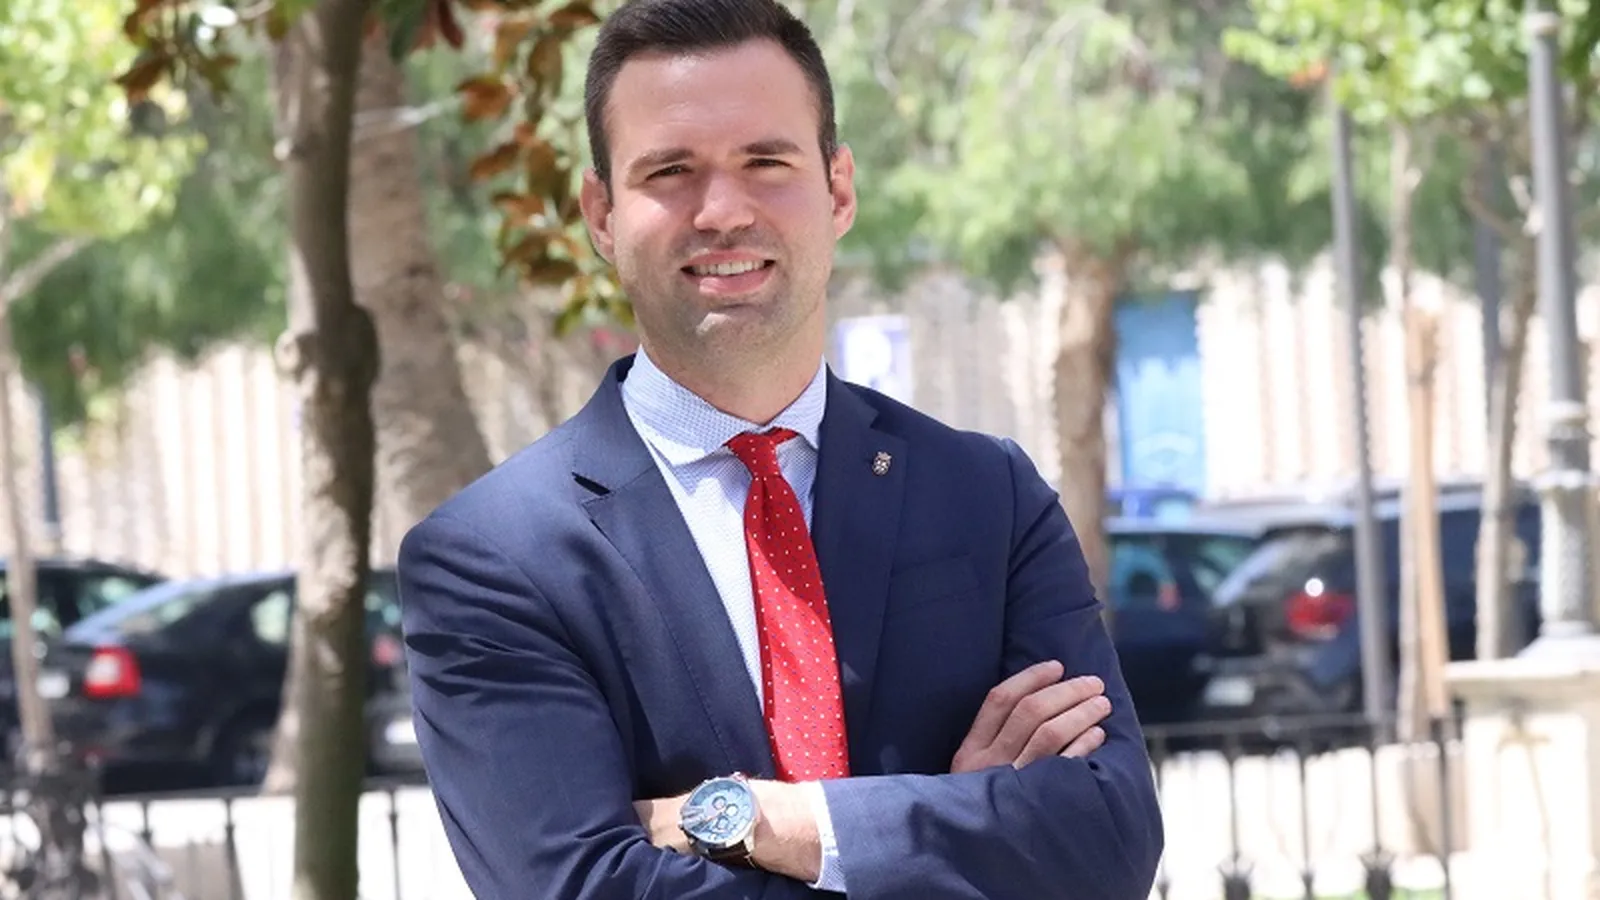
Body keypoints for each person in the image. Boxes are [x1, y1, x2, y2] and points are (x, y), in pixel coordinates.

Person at [395, 0, 1164, 896]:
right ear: (602, 215)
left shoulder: (988, 497)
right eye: (671, 171)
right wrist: (951, 834)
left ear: (839, 190)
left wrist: (759, 821)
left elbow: (1108, 838)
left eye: (766, 161)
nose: (723, 210)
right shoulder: (493, 559)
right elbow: (581, 886)